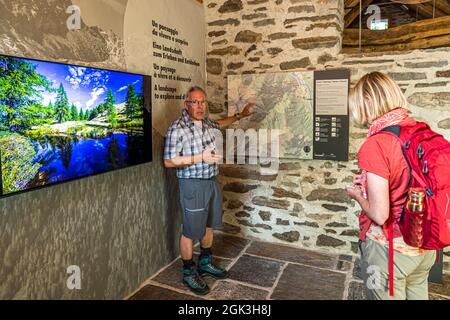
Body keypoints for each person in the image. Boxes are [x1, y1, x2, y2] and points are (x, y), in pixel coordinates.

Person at [345, 72, 436, 300]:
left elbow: (379, 213)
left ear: (367, 101)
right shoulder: (419, 132)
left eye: (356, 105)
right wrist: (367, 183)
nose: (357, 113)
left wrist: (357, 195)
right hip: (423, 245)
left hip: (389, 250)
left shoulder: (377, 143)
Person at [163, 86, 253, 295]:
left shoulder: (206, 123)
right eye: (194, 102)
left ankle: (205, 262)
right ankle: (188, 272)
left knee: (209, 225)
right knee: (190, 231)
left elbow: (221, 123)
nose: (199, 106)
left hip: (211, 180)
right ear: (186, 104)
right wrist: (199, 158)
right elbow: (168, 161)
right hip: (192, 184)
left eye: (202, 102)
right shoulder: (177, 128)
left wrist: (241, 115)